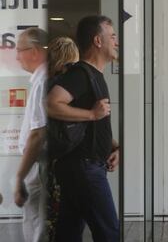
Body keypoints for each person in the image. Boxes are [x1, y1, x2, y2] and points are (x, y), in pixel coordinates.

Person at [47, 15, 120, 242]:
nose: (116, 42)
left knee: (68, 233)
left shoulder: (95, 75)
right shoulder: (81, 73)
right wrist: (91, 114)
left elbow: (96, 124)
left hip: (82, 166)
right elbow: (51, 103)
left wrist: (115, 147)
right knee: (109, 233)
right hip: (85, 168)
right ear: (98, 41)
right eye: (113, 36)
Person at [14, 27, 48, 242]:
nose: (17, 57)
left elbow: (37, 134)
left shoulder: (43, 81)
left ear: (34, 51)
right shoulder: (40, 80)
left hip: (38, 167)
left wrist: (19, 177)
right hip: (36, 166)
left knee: (38, 226)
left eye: (19, 50)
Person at [46, 36, 79, 241]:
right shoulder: (69, 86)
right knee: (68, 216)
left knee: (53, 215)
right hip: (69, 156)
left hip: (48, 156)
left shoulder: (45, 84)